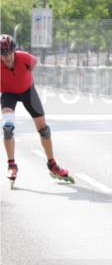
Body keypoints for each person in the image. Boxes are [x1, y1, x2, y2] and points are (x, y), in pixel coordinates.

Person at [1, 34, 74, 186]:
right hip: (8, 94)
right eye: (3, 54)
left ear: (14, 51)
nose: (7, 57)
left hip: (28, 92)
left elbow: (33, 65)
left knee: (44, 130)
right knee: (8, 128)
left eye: (9, 53)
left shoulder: (26, 58)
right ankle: (12, 165)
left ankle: (52, 164)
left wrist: (24, 79)